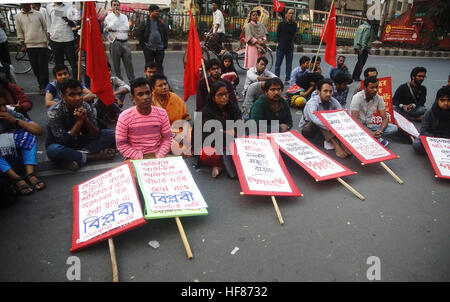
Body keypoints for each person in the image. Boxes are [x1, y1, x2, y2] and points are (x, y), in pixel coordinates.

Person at [46, 79, 116, 171]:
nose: (78, 98)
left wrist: (85, 119)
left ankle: (75, 157)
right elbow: (63, 141)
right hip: (63, 145)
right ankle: (95, 156)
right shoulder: (54, 111)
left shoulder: (85, 106)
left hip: (82, 142)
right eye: (72, 95)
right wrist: (79, 122)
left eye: (79, 94)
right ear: (63, 97)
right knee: (53, 150)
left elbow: (95, 134)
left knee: (111, 134)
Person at [115, 77, 172, 160]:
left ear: (152, 93)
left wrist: (159, 156)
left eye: (147, 93)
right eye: (140, 94)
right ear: (133, 97)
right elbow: (121, 144)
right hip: (134, 158)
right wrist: (139, 157)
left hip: (158, 156)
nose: (145, 97)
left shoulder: (162, 113)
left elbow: (167, 138)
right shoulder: (124, 117)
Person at [194, 80, 241, 178]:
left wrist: (221, 132)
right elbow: (205, 138)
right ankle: (223, 164)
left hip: (231, 145)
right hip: (215, 146)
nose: (224, 97)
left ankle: (221, 165)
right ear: (213, 97)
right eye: (220, 95)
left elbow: (240, 129)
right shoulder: (205, 112)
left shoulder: (233, 108)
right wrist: (229, 133)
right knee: (205, 154)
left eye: (226, 94)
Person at [0, 94, 45, 195]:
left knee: (28, 134)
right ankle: (17, 179)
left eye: (4, 105)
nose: (3, 109)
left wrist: (15, 120)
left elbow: (38, 130)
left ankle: (30, 174)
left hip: (18, 158)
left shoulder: (9, 112)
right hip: (3, 166)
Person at [299, 79, 350, 158]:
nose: (328, 94)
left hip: (326, 127)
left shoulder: (333, 100)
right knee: (320, 120)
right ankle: (336, 145)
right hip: (309, 128)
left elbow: (341, 113)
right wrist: (332, 127)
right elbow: (315, 119)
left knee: (332, 119)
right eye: (325, 91)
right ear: (319, 92)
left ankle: (342, 143)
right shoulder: (312, 102)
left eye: (330, 91)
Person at [350, 76, 398, 146]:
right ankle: (371, 137)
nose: (375, 90)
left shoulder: (379, 98)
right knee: (356, 129)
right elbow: (355, 120)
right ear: (365, 88)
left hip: (370, 126)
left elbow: (385, 118)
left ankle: (371, 137)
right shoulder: (357, 97)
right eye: (372, 88)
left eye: (376, 87)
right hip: (357, 126)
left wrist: (380, 132)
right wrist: (371, 133)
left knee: (393, 128)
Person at [14, 3, 49, 96]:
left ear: (30, 4)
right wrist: (22, 43)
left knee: (43, 67)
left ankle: (44, 87)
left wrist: (46, 40)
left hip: (41, 44)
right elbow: (19, 31)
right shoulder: (17, 16)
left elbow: (45, 27)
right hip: (29, 45)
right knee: (35, 67)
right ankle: (41, 85)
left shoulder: (38, 14)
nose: (25, 5)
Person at [412, 86, 450, 154]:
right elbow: (423, 131)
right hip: (432, 138)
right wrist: (437, 140)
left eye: (448, 100)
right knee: (417, 144)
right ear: (437, 100)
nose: (446, 103)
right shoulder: (430, 112)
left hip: (447, 140)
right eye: (442, 100)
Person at [104, 0, 135, 81]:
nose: (116, 6)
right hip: (115, 42)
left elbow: (126, 28)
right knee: (116, 65)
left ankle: (132, 82)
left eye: (118, 5)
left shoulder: (124, 16)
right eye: (114, 5)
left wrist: (115, 28)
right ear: (112, 6)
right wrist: (117, 19)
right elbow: (109, 28)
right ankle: (120, 83)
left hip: (125, 41)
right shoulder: (108, 17)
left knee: (129, 64)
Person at [46, 2, 78, 79]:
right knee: (58, 65)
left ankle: (76, 82)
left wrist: (68, 20)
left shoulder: (69, 6)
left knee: (73, 63)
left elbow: (75, 24)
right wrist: (49, 35)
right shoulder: (49, 7)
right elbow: (48, 23)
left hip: (68, 39)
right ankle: (61, 84)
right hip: (55, 39)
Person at [134, 4, 168, 74]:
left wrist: (165, 45)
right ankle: (149, 82)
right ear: (150, 12)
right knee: (149, 67)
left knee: (159, 67)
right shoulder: (145, 22)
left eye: (158, 11)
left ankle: (159, 81)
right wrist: (144, 46)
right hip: (149, 49)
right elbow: (138, 34)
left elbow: (165, 34)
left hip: (160, 49)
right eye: (156, 11)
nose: (158, 13)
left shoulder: (160, 23)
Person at [274, 8, 297, 84]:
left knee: (289, 65)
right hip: (281, 47)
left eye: (292, 13)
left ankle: (287, 79)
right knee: (278, 65)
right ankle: (276, 78)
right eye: (290, 13)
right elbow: (278, 35)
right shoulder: (281, 24)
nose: (291, 15)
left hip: (290, 48)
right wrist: (280, 43)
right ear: (286, 14)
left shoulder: (294, 24)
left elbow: (293, 35)